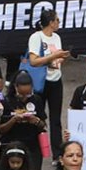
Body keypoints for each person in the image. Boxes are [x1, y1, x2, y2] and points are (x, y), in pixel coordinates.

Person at [28, 9, 70, 157]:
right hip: (41, 81)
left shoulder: (56, 37)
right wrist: (54, 56)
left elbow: (56, 57)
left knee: (56, 118)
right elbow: (33, 61)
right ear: (51, 22)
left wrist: (60, 58)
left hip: (55, 79)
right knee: (38, 116)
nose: (59, 23)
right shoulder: (36, 37)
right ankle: (35, 150)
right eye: (57, 20)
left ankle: (57, 153)